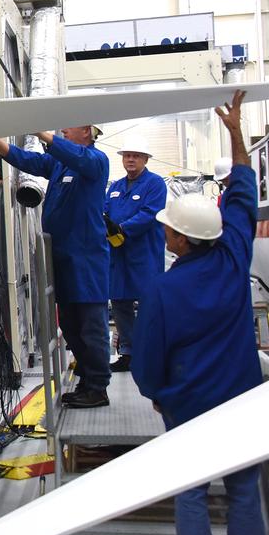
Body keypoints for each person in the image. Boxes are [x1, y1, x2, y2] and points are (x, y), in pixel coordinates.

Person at [131, 91, 269, 535]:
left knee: (190, 494)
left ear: (182, 242)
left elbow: (146, 362)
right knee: (243, 491)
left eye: (169, 228)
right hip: (242, 398)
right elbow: (243, 193)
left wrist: (160, 395)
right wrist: (236, 134)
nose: (163, 230)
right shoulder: (234, 255)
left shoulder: (165, 292)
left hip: (189, 405)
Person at [0, 125, 112, 408]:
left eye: (67, 128)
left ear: (87, 132)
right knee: (70, 325)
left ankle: (98, 387)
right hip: (63, 258)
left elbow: (79, 158)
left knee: (90, 326)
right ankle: (87, 378)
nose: (62, 131)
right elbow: (26, 160)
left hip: (87, 260)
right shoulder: (59, 163)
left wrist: (43, 133)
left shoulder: (95, 161)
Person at [103, 137, 168, 373]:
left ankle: (152, 351)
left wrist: (122, 228)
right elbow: (106, 211)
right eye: (127, 155)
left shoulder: (155, 184)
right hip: (118, 255)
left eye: (136, 156)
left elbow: (151, 213)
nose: (130, 159)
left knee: (149, 302)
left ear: (146, 159)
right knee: (120, 302)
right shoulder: (116, 186)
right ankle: (129, 353)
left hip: (145, 254)